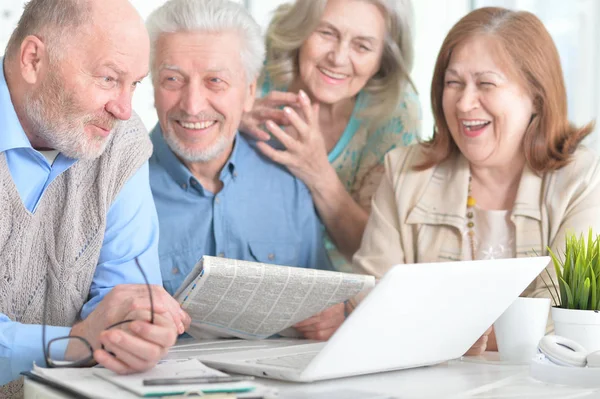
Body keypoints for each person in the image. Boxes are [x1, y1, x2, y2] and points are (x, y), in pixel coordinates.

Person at [352, 7, 600, 355]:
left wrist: (433, 329)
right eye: (453, 83)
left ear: (537, 98)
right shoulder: (404, 170)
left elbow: (562, 319)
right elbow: (369, 300)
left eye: (486, 84)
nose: (465, 103)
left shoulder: (582, 178)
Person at [0, 0, 189, 394]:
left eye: (135, 84)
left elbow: (128, 303)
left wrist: (139, 333)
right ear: (33, 59)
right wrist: (78, 341)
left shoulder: (119, 141)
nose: (124, 109)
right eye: (108, 78)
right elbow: (93, 338)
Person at [146, 0, 341, 340]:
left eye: (215, 81)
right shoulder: (120, 184)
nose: (192, 106)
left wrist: (332, 315)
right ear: (152, 86)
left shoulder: (288, 177)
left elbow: (322, 299)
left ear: (250, 92)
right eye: (173, 79)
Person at [240, 0, 421, 272]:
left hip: (341, 290)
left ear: (382, 59)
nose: (338, 57)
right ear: (302, 29)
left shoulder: (396, 113)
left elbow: (376, 253)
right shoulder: (254, 68)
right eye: (326, 33)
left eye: (362, 46)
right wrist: (227, 119)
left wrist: (318, 174)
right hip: (247, 267)